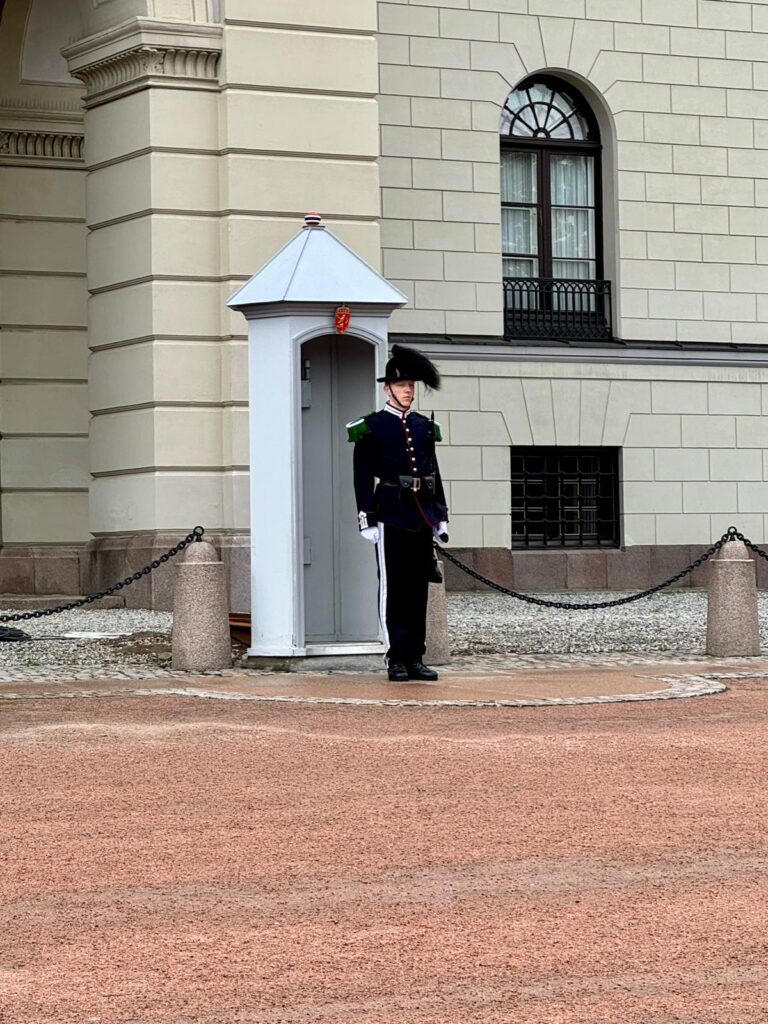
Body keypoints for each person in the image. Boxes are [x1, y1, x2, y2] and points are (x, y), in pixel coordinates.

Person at [347, 345, 449, 681]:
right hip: (390, 512)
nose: (408, 391)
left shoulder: (422, 426)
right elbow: (362, 476)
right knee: (394, 588)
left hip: (420, 515)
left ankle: (415, 656)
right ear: (387, 388)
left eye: (411, 386)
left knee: (419, 587)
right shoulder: (371, 427)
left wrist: (440, 515)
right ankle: (396, 658)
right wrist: (367, 517)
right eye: (403, 385)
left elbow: (433, 472)